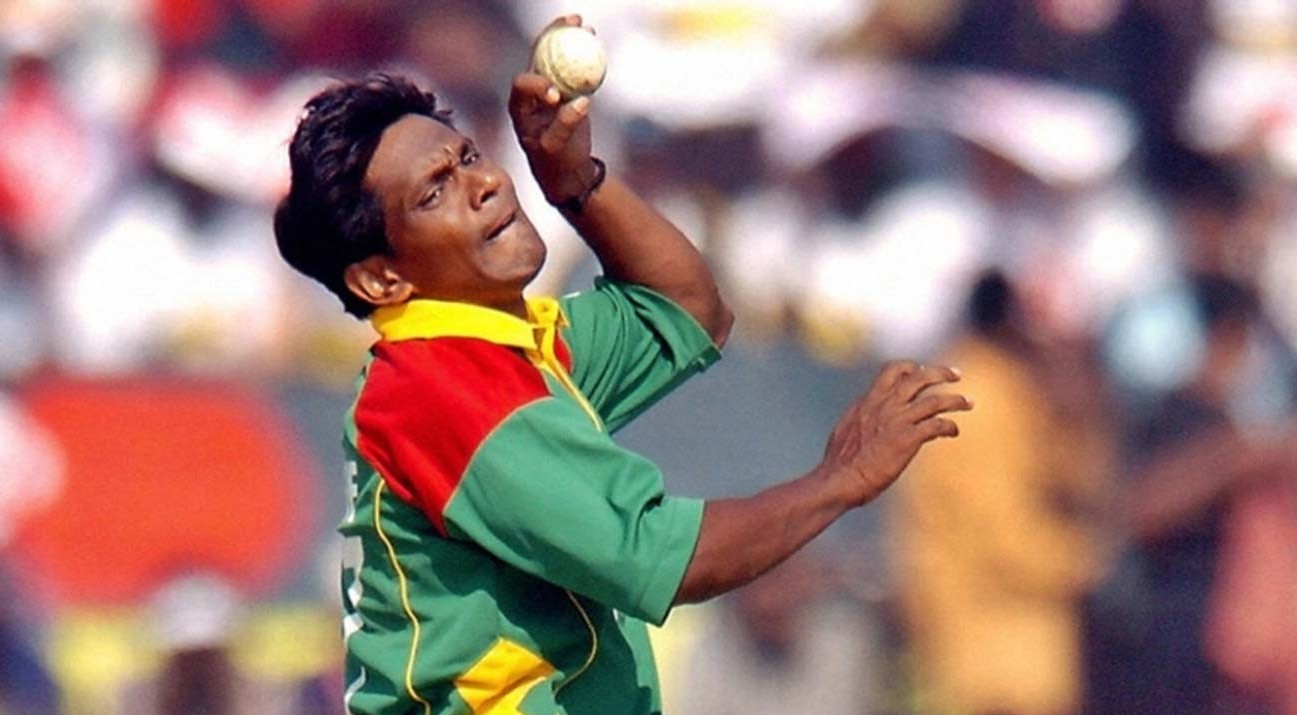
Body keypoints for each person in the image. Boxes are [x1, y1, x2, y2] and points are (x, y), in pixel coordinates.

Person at [272, 16, 971, 715]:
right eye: (434, 192)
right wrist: (840, 479)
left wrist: (577, 181)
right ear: (381, 279)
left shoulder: (501, 347)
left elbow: (689, 308)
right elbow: (664, 558)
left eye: (467, 157)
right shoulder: (443, 387)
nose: (482, 184)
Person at [890, 270, 1113, 715]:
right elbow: (1008, 541)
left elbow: (1076, 487)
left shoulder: (1025, 395)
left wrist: (1081, 421)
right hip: (988, 659)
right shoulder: (980, 398)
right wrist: (1089, 561)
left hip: (1015, 652)